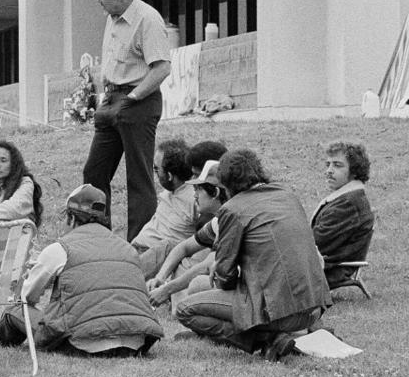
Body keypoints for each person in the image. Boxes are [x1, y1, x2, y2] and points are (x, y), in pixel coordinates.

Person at [176, 149, 331, 362]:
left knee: (185, 309)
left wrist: (223, 270)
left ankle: (267, 341)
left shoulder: (232, 209)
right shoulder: (287, 196)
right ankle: (282, 336)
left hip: (279, 311)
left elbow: (225, 279)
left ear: (224, 184)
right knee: (204, 290)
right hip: (314, 307)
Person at [0, 184, 164, 356]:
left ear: (71, 219)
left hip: (80, 341)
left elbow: (27, 297)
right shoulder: (128, 249)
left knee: (15, 310)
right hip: (136, 341)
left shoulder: (60, 249)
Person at [81, 0, 171, 240]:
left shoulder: (147, 19)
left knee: (138, 177)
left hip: (138, 99)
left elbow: (162, 68)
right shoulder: (113, 17)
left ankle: (140, 243)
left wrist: (133, 98)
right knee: (94, 171)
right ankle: (98, 237)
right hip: (111, 99)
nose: (98, 2)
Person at [146, 159, 227, 308]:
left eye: (198, 189)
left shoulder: (230, 221)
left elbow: (207, 265)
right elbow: (184, 247)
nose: (194, 195)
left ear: (215, 192)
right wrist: (160, 277)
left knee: (197, 284)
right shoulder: (216, 221)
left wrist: (166, 290)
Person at [312, 141, 375, 290]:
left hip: (330, 270)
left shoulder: (349, 203)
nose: (329, 170)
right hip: (324, 264)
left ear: (354, 171)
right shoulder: (347, 197)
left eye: (337, 165)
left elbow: (316, 241)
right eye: (328, 164)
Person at [130, 138, 197, 278]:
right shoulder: (170, 190)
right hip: (133, 250)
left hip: (155, 255)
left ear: (170, 175)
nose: (155, 174)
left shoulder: (195, 198)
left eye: (156, 169)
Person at [0, 140, 43, 226]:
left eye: (3, 160)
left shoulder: (25, 183)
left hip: (19, 237)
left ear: (14, 164)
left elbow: (15, 207)